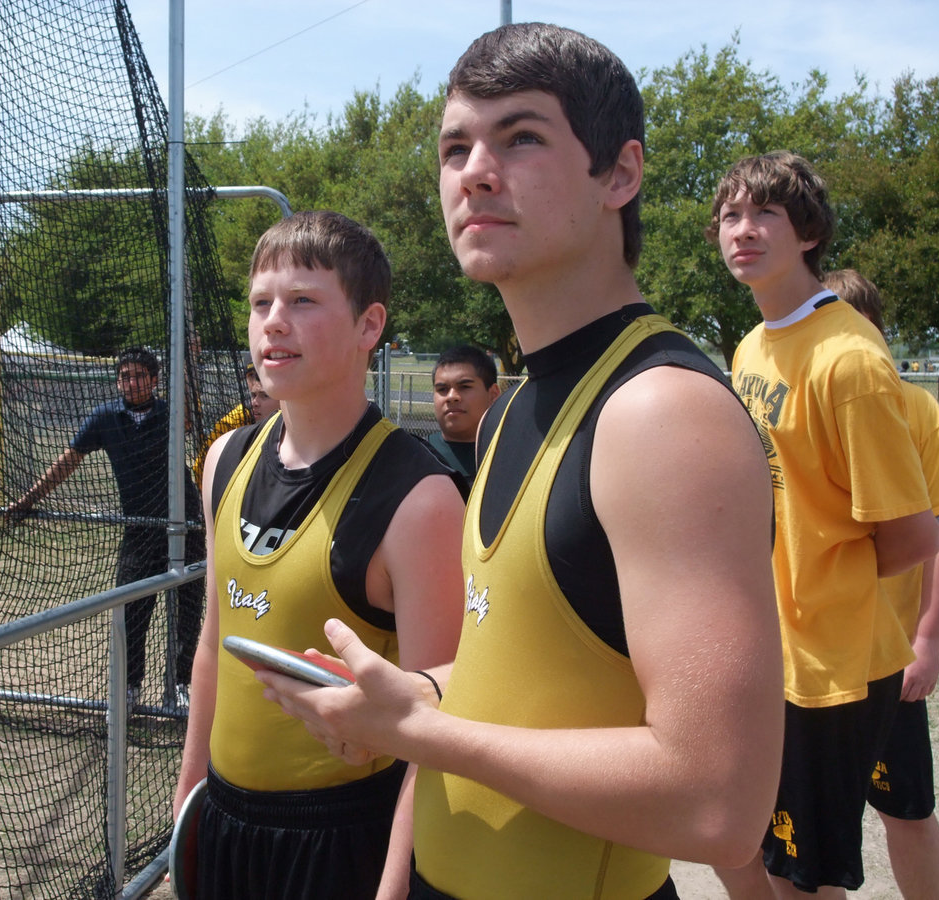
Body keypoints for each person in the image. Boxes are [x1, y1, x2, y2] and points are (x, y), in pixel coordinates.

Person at [260, 24, 784, 900]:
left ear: (620, 173)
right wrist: (403, 692)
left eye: (523, 137)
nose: (475, 171)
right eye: (455, 147)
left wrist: (420, 733)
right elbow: (530, 669)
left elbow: (717, 803)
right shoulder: (512, 411)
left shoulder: (663, 412)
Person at [171, 210, 466, 899]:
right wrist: (188, 796)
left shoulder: (419, 498)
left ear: (370, 326)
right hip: (223, 819)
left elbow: (437, 727)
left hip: (340, 840)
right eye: (261, 303)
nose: (273, 321)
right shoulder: (224, 460)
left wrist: (395, 887)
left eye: (303, 301)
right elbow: (214, 642)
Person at [707, 153, 939, 898]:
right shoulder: (751, 346)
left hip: (833, 665)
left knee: (807, 878)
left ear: (806, 233)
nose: (742, 231)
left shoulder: (849, 362)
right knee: (761, 851)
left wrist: (822, 589)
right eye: (730, 217)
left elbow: (912, 536)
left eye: (764, 214)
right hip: (769, 645)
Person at [822, 268, 939, 899]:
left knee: (903, 807)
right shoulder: (784, 390)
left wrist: (929, 640)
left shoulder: (909, 407)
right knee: (796, 830)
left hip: (884, 658)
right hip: (805, 655)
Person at [6, 346, 204, 711]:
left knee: (187, 612)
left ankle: (179, 685)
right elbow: (69, 460)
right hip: (140, 530)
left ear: (155, 380)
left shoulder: (169, 412)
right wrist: (29, 499)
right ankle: (129, 688)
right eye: (125, 376)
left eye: (140, 375)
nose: (132, 383)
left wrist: (189, 363)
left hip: (185, 525)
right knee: (131, 612)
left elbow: (190, 417)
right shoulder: (105, 417)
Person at [192, 363, 280, 486]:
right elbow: (200, 470)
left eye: (265, 396)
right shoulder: (233, 422)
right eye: (253, 395)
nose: (255, 402)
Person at [428, 344, 501, 488]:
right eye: (442, 389)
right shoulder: (417, 458)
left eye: (465, 387)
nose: (451, 397)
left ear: (493, 395)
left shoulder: (515, 457)